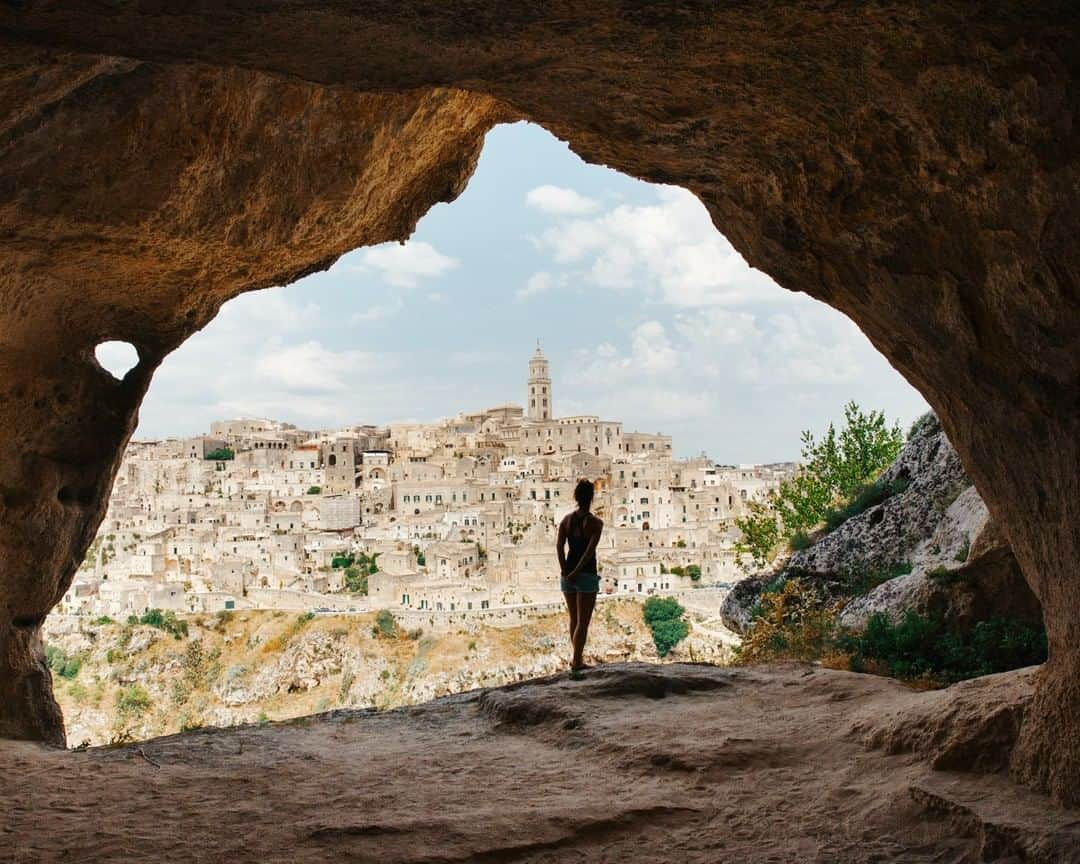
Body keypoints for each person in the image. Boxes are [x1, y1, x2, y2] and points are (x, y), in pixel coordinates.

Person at [556, 478, 604, 672]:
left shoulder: (566, 521)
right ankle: (577, 661)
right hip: (586, 576)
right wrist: (576, 572)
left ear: (575, 497)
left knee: (574, 620)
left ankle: (576, 657)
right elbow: (589, 552)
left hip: (567, 577)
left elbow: (560, 546)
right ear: (591, 498)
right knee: (583, 622)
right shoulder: (596, 524)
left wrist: (565, 571)